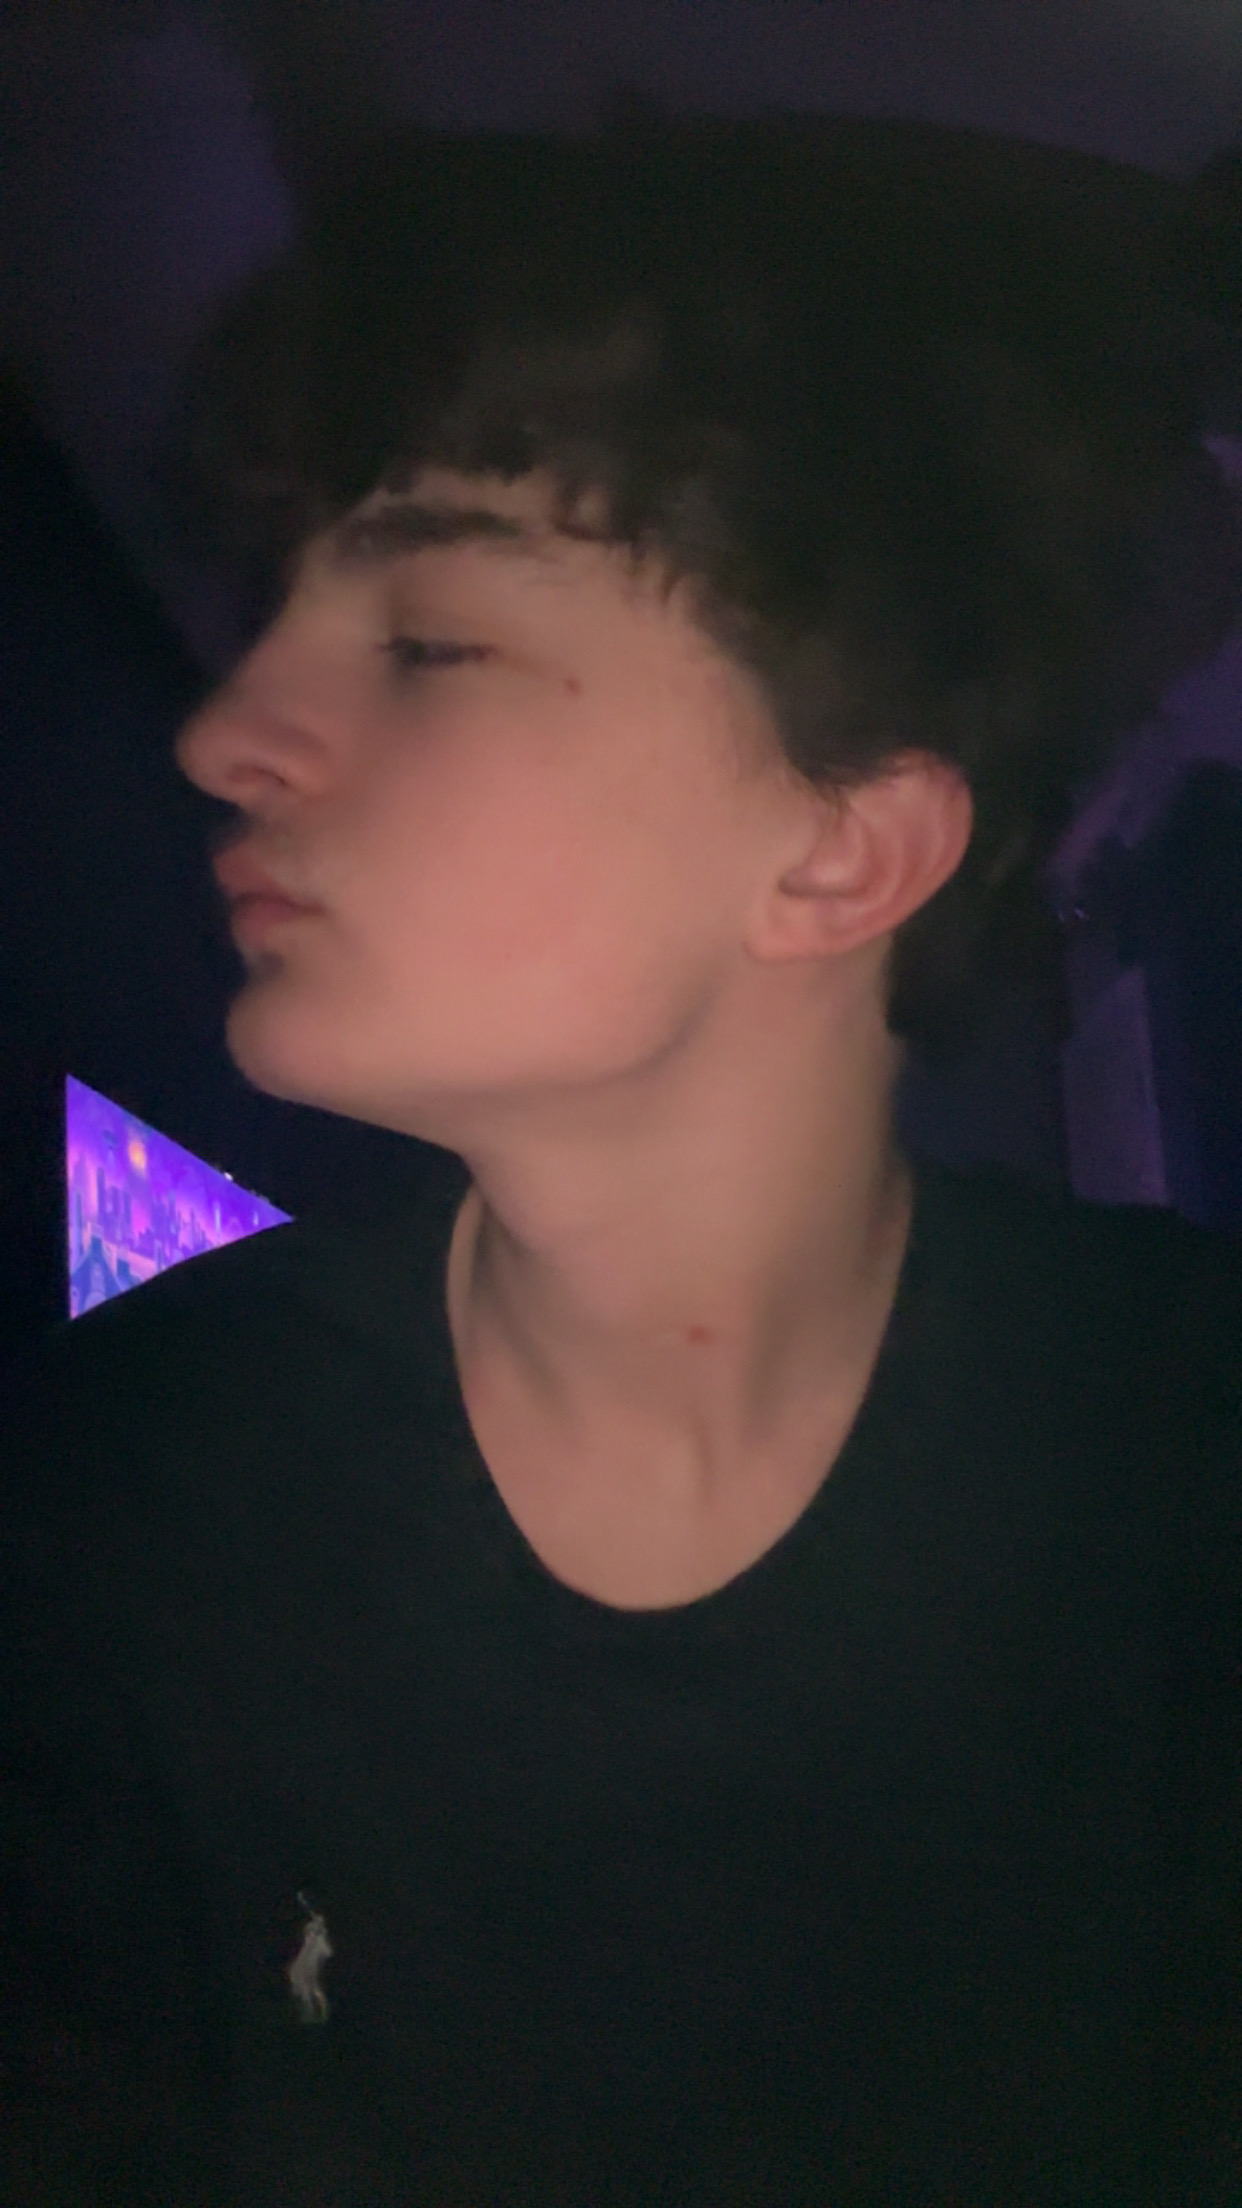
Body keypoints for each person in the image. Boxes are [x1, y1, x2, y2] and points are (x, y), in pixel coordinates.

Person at [3, 113, 1242, 2206]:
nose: (222, 732)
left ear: (839, 851)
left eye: (429, 641)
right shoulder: (114, 1487)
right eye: (276, 614)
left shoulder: (1190, 1464)